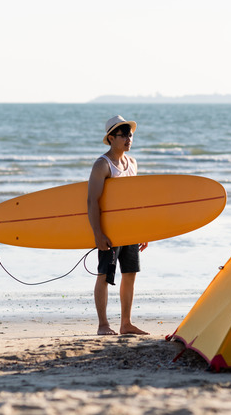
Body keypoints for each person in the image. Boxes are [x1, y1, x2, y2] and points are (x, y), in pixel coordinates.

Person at [87, 115, 149, 336]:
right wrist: (98, 233)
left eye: (130, 134)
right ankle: (103, 325)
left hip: (130, 229)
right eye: (123, 135)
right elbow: (92, 201)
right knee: (104, 274)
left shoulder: (132, 163)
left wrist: (141, 230)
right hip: (110, 231)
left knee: (130, 273)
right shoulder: (102, 165)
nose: (128, 139)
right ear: (111, 138)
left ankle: (126, 324)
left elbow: (134, 201)